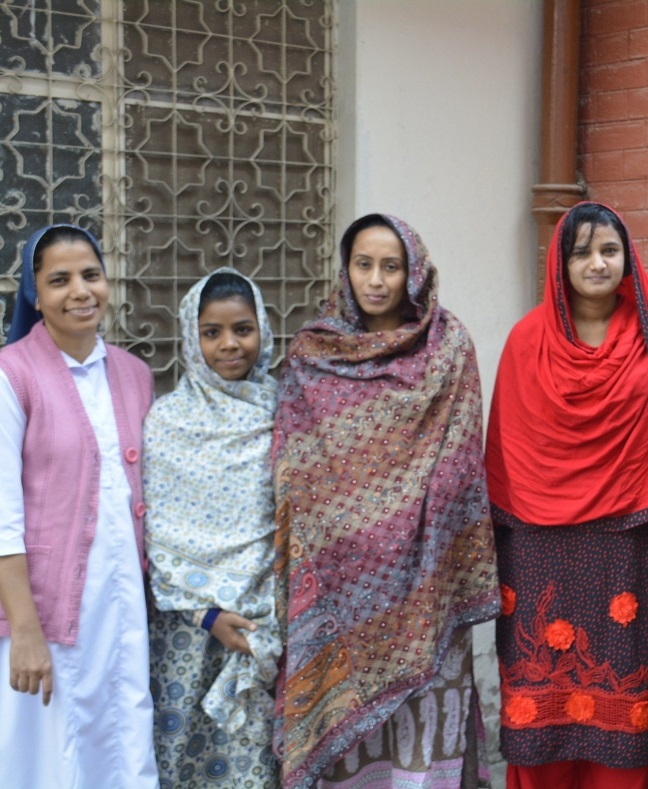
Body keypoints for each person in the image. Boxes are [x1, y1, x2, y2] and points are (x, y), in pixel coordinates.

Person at [273, 213, 499, 789]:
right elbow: (297, 474)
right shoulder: (313, 354)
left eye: (391, 267)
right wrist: (358, 537)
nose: (376, 280)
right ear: (345, 271)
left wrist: (406, 543)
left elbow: (458, 465)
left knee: (424, 735)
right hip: (340, 584)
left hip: (428, 577)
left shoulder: (449, 348)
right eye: (363, 264)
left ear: (414, 273)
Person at [486, 201, 648, 789]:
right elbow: (506, 449)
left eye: (609, 250)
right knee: (540, 692)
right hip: (539, 543)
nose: (596, 263)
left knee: (623, 698)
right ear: (560, 263)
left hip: (626, 542)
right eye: (581, 252)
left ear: (627, 259)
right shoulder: (526, 342)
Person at [0, 224, 158, 786]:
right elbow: (2, 518)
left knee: (119, 739)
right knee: (45, 755)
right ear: (34, 294)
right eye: (59, 280)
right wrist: (24, 630)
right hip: (43, 608)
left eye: (91, 275)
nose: (80, 291)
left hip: (119, 607)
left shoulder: (136, 375)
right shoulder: (11, 374)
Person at [144, 268, 280, 788]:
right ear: (191, 335)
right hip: (189, 632)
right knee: (184, 758)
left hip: (264, 625)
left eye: (242, 329)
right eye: (212, 332)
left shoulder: (283, 411)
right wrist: (207, 615)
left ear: (263, 331)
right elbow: (156, 534)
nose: (230, 345)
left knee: (259, 763)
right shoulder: (167, 421)